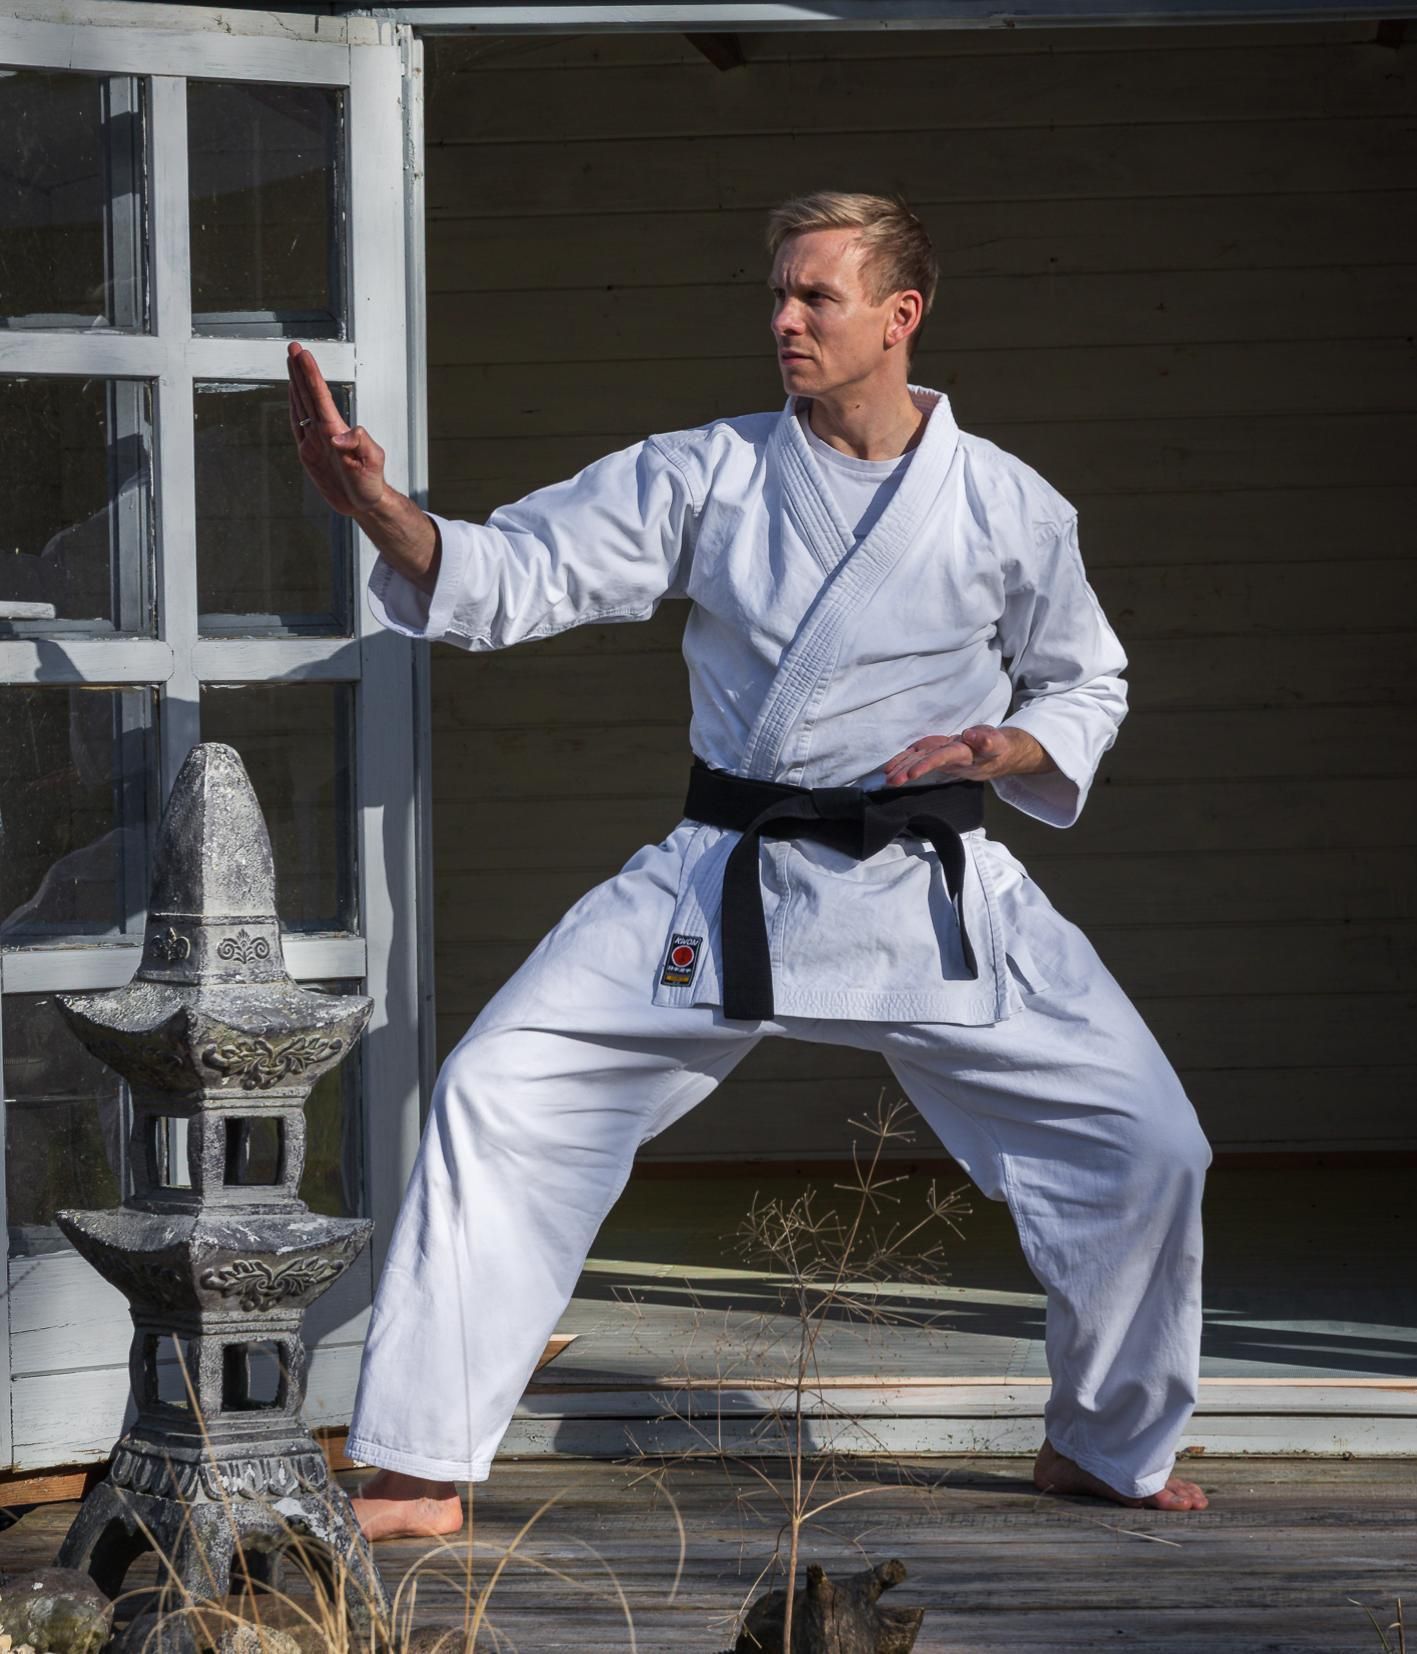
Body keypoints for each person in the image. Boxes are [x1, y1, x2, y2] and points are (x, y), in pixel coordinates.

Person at [287, 191, 1213, 1539]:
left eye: (815, 296)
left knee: (1146, 1144)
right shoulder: (705, 472)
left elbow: (1086, 677)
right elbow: (519, 572)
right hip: (727, 874)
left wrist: (1012, 744)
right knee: (499, 1088)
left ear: (899, 317)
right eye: (776, 293)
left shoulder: (1006, 501)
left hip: (928, 883)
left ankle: (1104, 1445)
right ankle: (420, 1466)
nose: (782, 319)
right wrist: (382, 509)